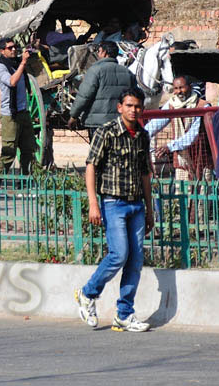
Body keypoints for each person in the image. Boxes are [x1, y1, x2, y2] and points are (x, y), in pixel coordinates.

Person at [74, 88, 153, 333]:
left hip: (136, 204)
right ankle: (87, 294)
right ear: (120, 107)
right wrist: (93, 203)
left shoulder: (142, 135)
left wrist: (150, 209)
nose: (133, 110)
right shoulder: (106, 132)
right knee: (119, 254)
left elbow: (145, 174)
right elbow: (91, 167)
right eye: (129, 105)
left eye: (138, 106)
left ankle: (124, 314)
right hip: (113, 203)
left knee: (135, 259)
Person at [70, 41, 140, 135]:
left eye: (98, 51)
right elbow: (136, 97)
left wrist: (73, 116)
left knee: (99, 149)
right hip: (122, 122)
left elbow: (84, 96)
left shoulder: (95, 71)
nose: (98, 54)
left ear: (103, 52)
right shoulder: (128, 73)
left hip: (98, 124)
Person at [0, 37, 37, 176]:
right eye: (9, 48)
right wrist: (23, 63)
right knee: (8, 153)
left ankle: (25, 183)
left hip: (23, 112)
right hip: (10, 115)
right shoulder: (0, 68)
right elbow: (12, 81)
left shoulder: (16, 63)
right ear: (2, 51)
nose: (13, 50)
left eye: (14, 47)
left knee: (28, 150)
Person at [144, 76, 207, 174]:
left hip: (202, 159)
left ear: (190, 87)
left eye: (182, 87)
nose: (179, 91)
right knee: (181, 188)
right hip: (182, 161)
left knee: (204, 188)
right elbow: (156, 123)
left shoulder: (203, 106)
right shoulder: (172, 104)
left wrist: (170, 147)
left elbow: (193, 135)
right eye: (176, 88)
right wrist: (140, 136)